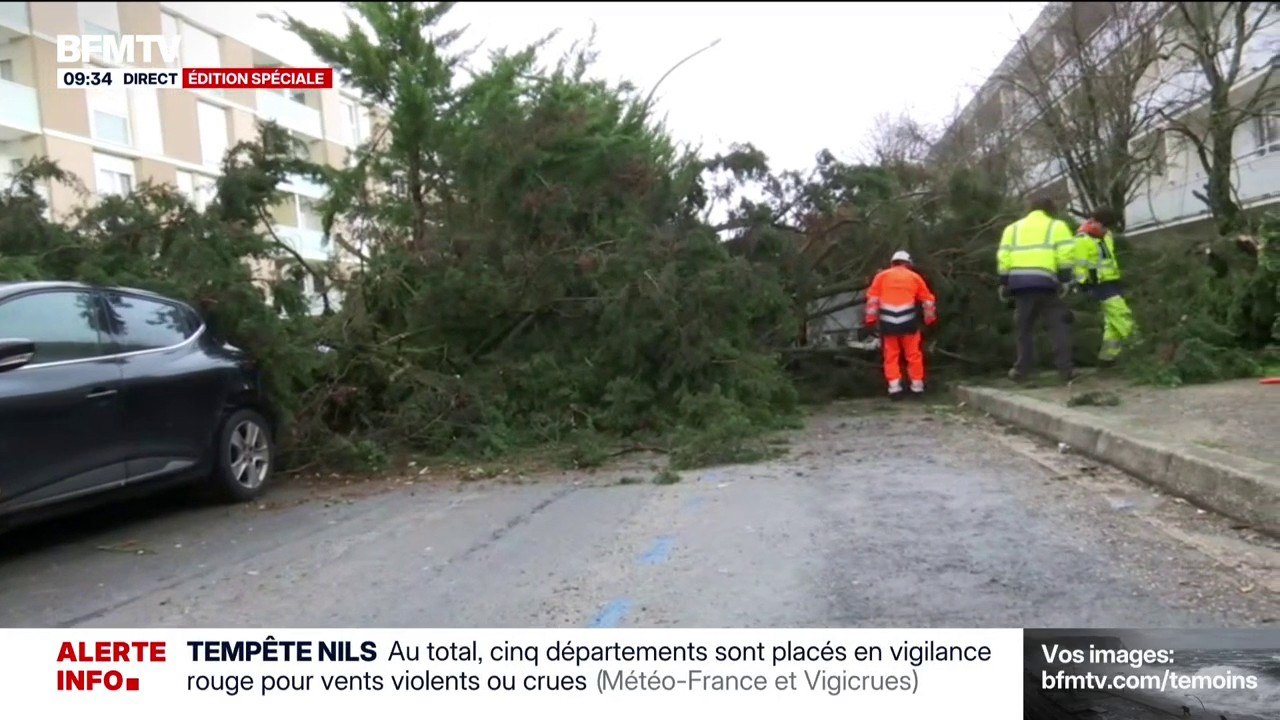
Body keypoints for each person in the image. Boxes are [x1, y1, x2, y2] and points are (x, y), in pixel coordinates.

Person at [997, 196, 1077, 383]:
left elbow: (1004, 257)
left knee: (1024, 328)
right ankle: (1065, 370)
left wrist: (1004, 282)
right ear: (1051, 209)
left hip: (1020, 284)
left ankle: (1022, 370)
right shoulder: (1057, 226)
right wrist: (1065, 280)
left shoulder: (1013, 229)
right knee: (1057, 326)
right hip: (1046, 283)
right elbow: (1065, 254)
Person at [863, 250, 938, 398]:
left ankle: (894, 388)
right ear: (908, 264)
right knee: (913, 355)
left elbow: (872, 300)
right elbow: (927, 300)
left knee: (891, 356)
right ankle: (917, 387)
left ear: (892, 263)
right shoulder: (914, 277)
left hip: (888, 323)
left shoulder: (881, 276)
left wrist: (870, 320)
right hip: (909, 322)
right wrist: (930, 319)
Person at [1074, 209, 1136, 366]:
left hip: (1112, 281)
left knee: (1112, 322)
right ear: (1096, 223)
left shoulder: (1106, 236)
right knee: (1123, 316)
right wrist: (1083, 284)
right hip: (1099, 285)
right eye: (1105, 227)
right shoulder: (1082, 239)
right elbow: (1079, 265)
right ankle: (1138, 346)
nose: (1107, 230)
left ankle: (1107, 357)